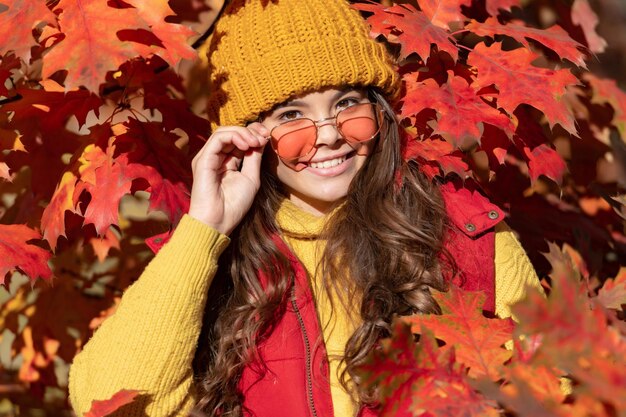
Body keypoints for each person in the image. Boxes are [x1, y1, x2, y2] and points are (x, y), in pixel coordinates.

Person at [68, 0, 541, 416]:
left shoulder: (466, 237)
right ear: (247, 138)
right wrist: (203, 229)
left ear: (380, 113)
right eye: (292, 116)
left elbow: (555, 391)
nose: (331, 134)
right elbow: (111, 406)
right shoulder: (208, 266)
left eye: (348, 103)